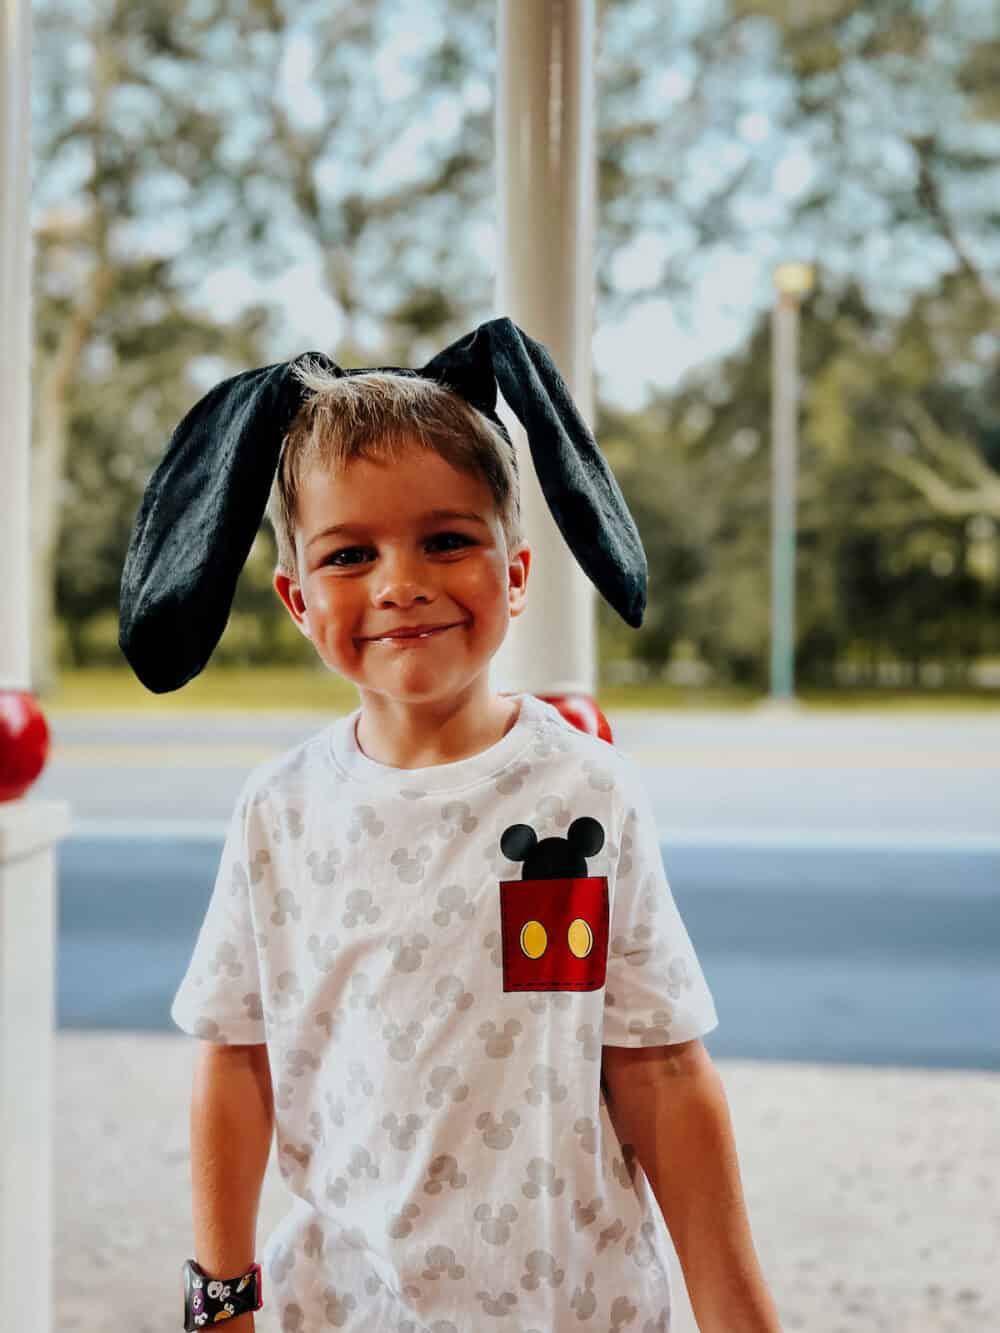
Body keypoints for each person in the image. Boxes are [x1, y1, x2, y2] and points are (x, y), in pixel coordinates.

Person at [169, 354, 783, 1331]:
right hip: (346, 1304)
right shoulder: (278, 810)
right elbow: (236, 1059)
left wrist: (738, 1311)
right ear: (295, 599)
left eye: (446, 540)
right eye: (347, 554)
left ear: (516, 571)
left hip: (574, 1304)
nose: (400, 583)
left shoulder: (585, 789)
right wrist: (220, 1295)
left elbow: (660, 1068)